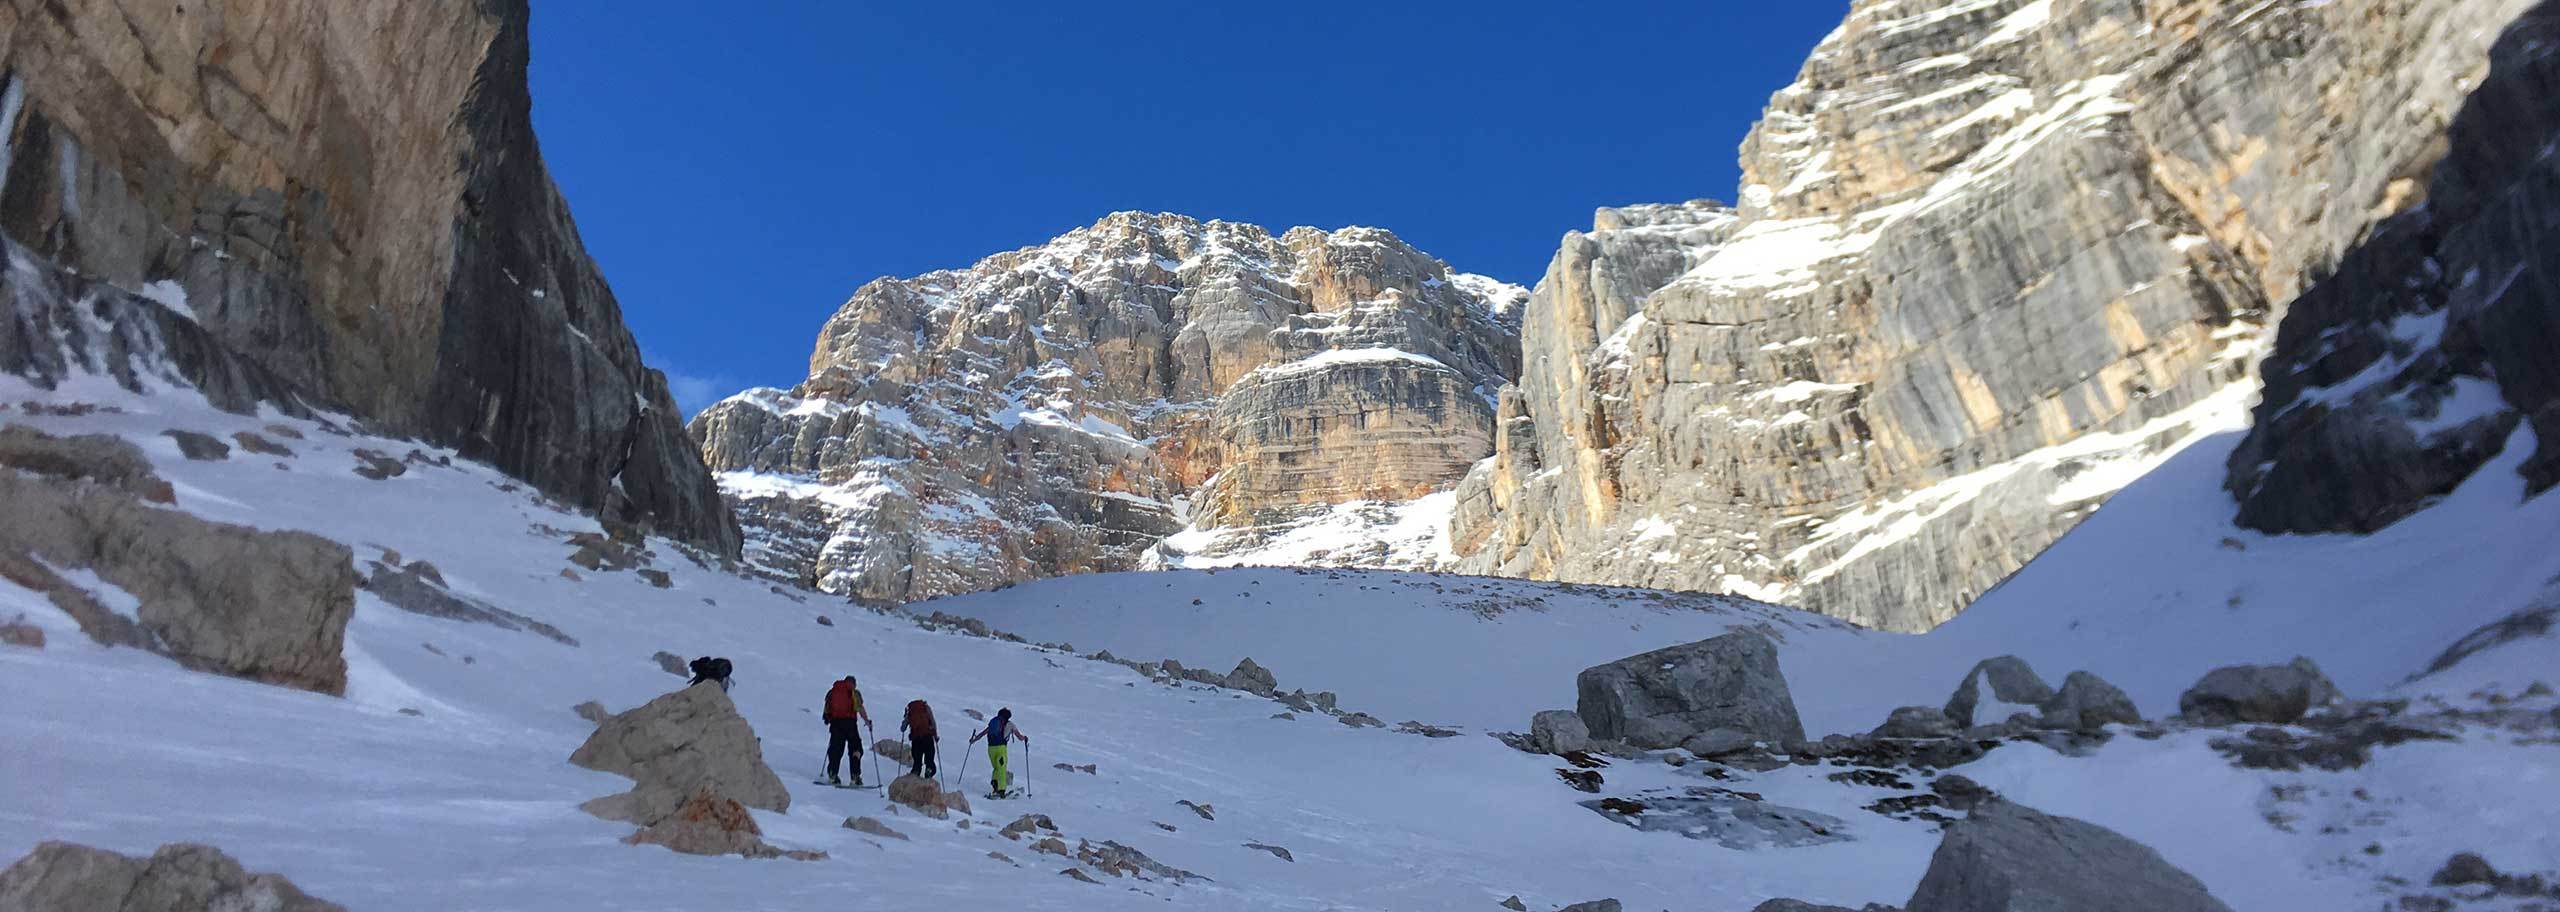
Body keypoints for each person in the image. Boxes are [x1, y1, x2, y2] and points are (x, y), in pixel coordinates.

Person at [820, 675, 872, 787]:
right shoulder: (853, 692)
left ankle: (833, 774)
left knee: (836, 749)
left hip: (835, 724)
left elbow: (826, 710)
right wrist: (867, 721)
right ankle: (855, 777)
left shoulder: (832, 692)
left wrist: (829, 719)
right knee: (856, 748)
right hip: (850, 724)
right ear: (853, 683)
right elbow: (860, 708)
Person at [966, 707, 1029, 797]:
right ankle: (1001, 790)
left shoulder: (994, 723)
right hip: (1001, 748)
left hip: (991, 748)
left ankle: (995, 784)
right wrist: (1025, 738)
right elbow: (1019, 737)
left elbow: (984, 733)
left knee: (996, 767)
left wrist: (974, 740)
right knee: (1002, 769)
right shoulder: (1010, 724)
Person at [900, 699, 939, 780]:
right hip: (927, 737)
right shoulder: (926, 708)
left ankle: (915, 774)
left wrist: (905, 719)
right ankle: (929, 772)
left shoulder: (910, 711)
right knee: (929, 760)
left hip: (916, 739)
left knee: (917, 761)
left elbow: (903, 728)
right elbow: (933, 722)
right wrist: (935, 736)